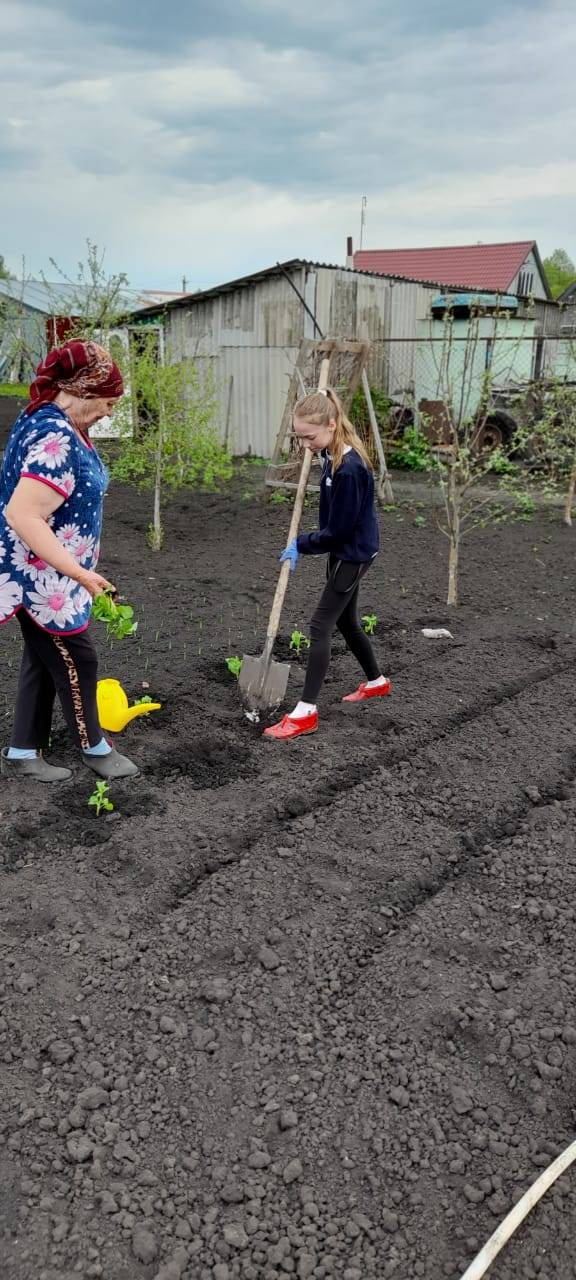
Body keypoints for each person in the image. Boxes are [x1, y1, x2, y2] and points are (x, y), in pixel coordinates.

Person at [0, 339, 139, 782]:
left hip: (49, 574)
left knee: (44, 657)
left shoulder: (51, 419)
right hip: (41, 578)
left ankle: (23, 749)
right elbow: (23, 513)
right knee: (78, 660)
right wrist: (79, 571)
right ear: (82, 391)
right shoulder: (55, 434)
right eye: (107, 402)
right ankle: (94, 746)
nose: (110, 412)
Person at [264, 386, 391, 742]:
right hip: (347, 548)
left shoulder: (349, 469)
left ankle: (306, 711)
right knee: (347, 622)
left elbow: (337, 532)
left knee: (320, 624)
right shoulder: (330, 455)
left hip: (352, 553)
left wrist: (302, 543)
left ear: (332, 425)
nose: (305, 444)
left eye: (310, 436)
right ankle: (377, 682)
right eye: (300, 437)